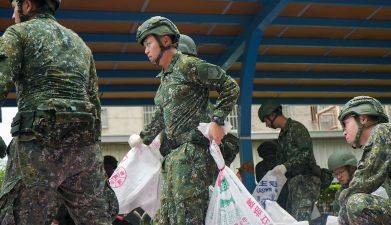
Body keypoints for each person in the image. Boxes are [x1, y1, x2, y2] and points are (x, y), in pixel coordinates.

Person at [0, 0, 114, 224]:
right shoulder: (80, 44)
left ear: (28, 5)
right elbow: (94, 103)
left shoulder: (18, 34)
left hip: (38, 145)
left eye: (14, 7)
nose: (13, 15)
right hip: (83, 148)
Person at [130, 16, 239, 224]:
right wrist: (142, 139)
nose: (146, 50)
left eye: (148, 43)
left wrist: (217, 120)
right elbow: (161, 117)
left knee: (188, 218)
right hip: (173, 159)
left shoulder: (188, 65)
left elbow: (230, 86)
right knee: (165, 218)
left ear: (165, 41)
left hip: (192, 156)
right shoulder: (165, 80)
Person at [337, 96, 391, 225]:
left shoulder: (382, 131)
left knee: (358, 204)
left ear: (363, 118)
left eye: (345, 124)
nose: (344, 132)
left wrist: (342, 201)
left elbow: (363, 181)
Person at [258, 100, 321, 221]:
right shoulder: (283, 136)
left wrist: (285, 166)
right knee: (293, 219)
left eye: (266, 121)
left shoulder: (296, 129)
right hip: (293, 184)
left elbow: (306, 154)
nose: (266, 125)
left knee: (301, 219)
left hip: (305, 182)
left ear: (272, 115)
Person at [327, 151, 358, 215]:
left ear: (351, 169)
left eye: (341, 172)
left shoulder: (366, 186)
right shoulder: (340, 192)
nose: (338, 177)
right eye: (335, 174)